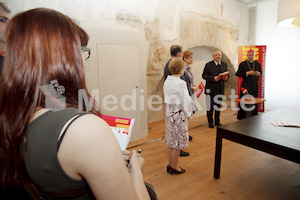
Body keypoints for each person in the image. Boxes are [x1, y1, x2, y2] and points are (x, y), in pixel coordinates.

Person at [0, 8, 150, 200]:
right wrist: (135, 170)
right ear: (65, 56)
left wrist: (102, 158)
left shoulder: (16, 116)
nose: (83, 60)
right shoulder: (83, 128)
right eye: (81, 50)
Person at [163, 58, 192, 175]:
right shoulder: (181, 83)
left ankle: (170, 164)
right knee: (177, 142)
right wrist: (189, 113)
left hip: (169, 112)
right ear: (181, 69)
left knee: (171, 140)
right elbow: (186, 100)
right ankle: (175, 166)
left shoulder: (167, 81)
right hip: (178, 112)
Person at [202, 49, 228, 128]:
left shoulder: (224, 64)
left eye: (219, 55)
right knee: (210, 107)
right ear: (213, 56)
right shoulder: (208, 65)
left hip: (220, 89)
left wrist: (226, 78)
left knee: (218, 106)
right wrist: (213, 78)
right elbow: (204, 76)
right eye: (216, 55)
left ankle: (217, 121)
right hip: (210, 89)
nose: (218, 56)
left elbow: (227, 74)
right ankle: (210, 122)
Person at [236, 49, 262, 119]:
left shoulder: (257, 63)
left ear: (254, 56)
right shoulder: (243, 64)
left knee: (254, 101)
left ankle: (254, 116)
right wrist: (246, 73)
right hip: (245, 85)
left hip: (254, 85)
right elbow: (237, 74)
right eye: (249, 55)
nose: (251, 57)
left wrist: (258, 73)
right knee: (243, 101)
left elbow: (260, 73)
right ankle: (241, 117)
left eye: (252, 55)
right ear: (247, 55)